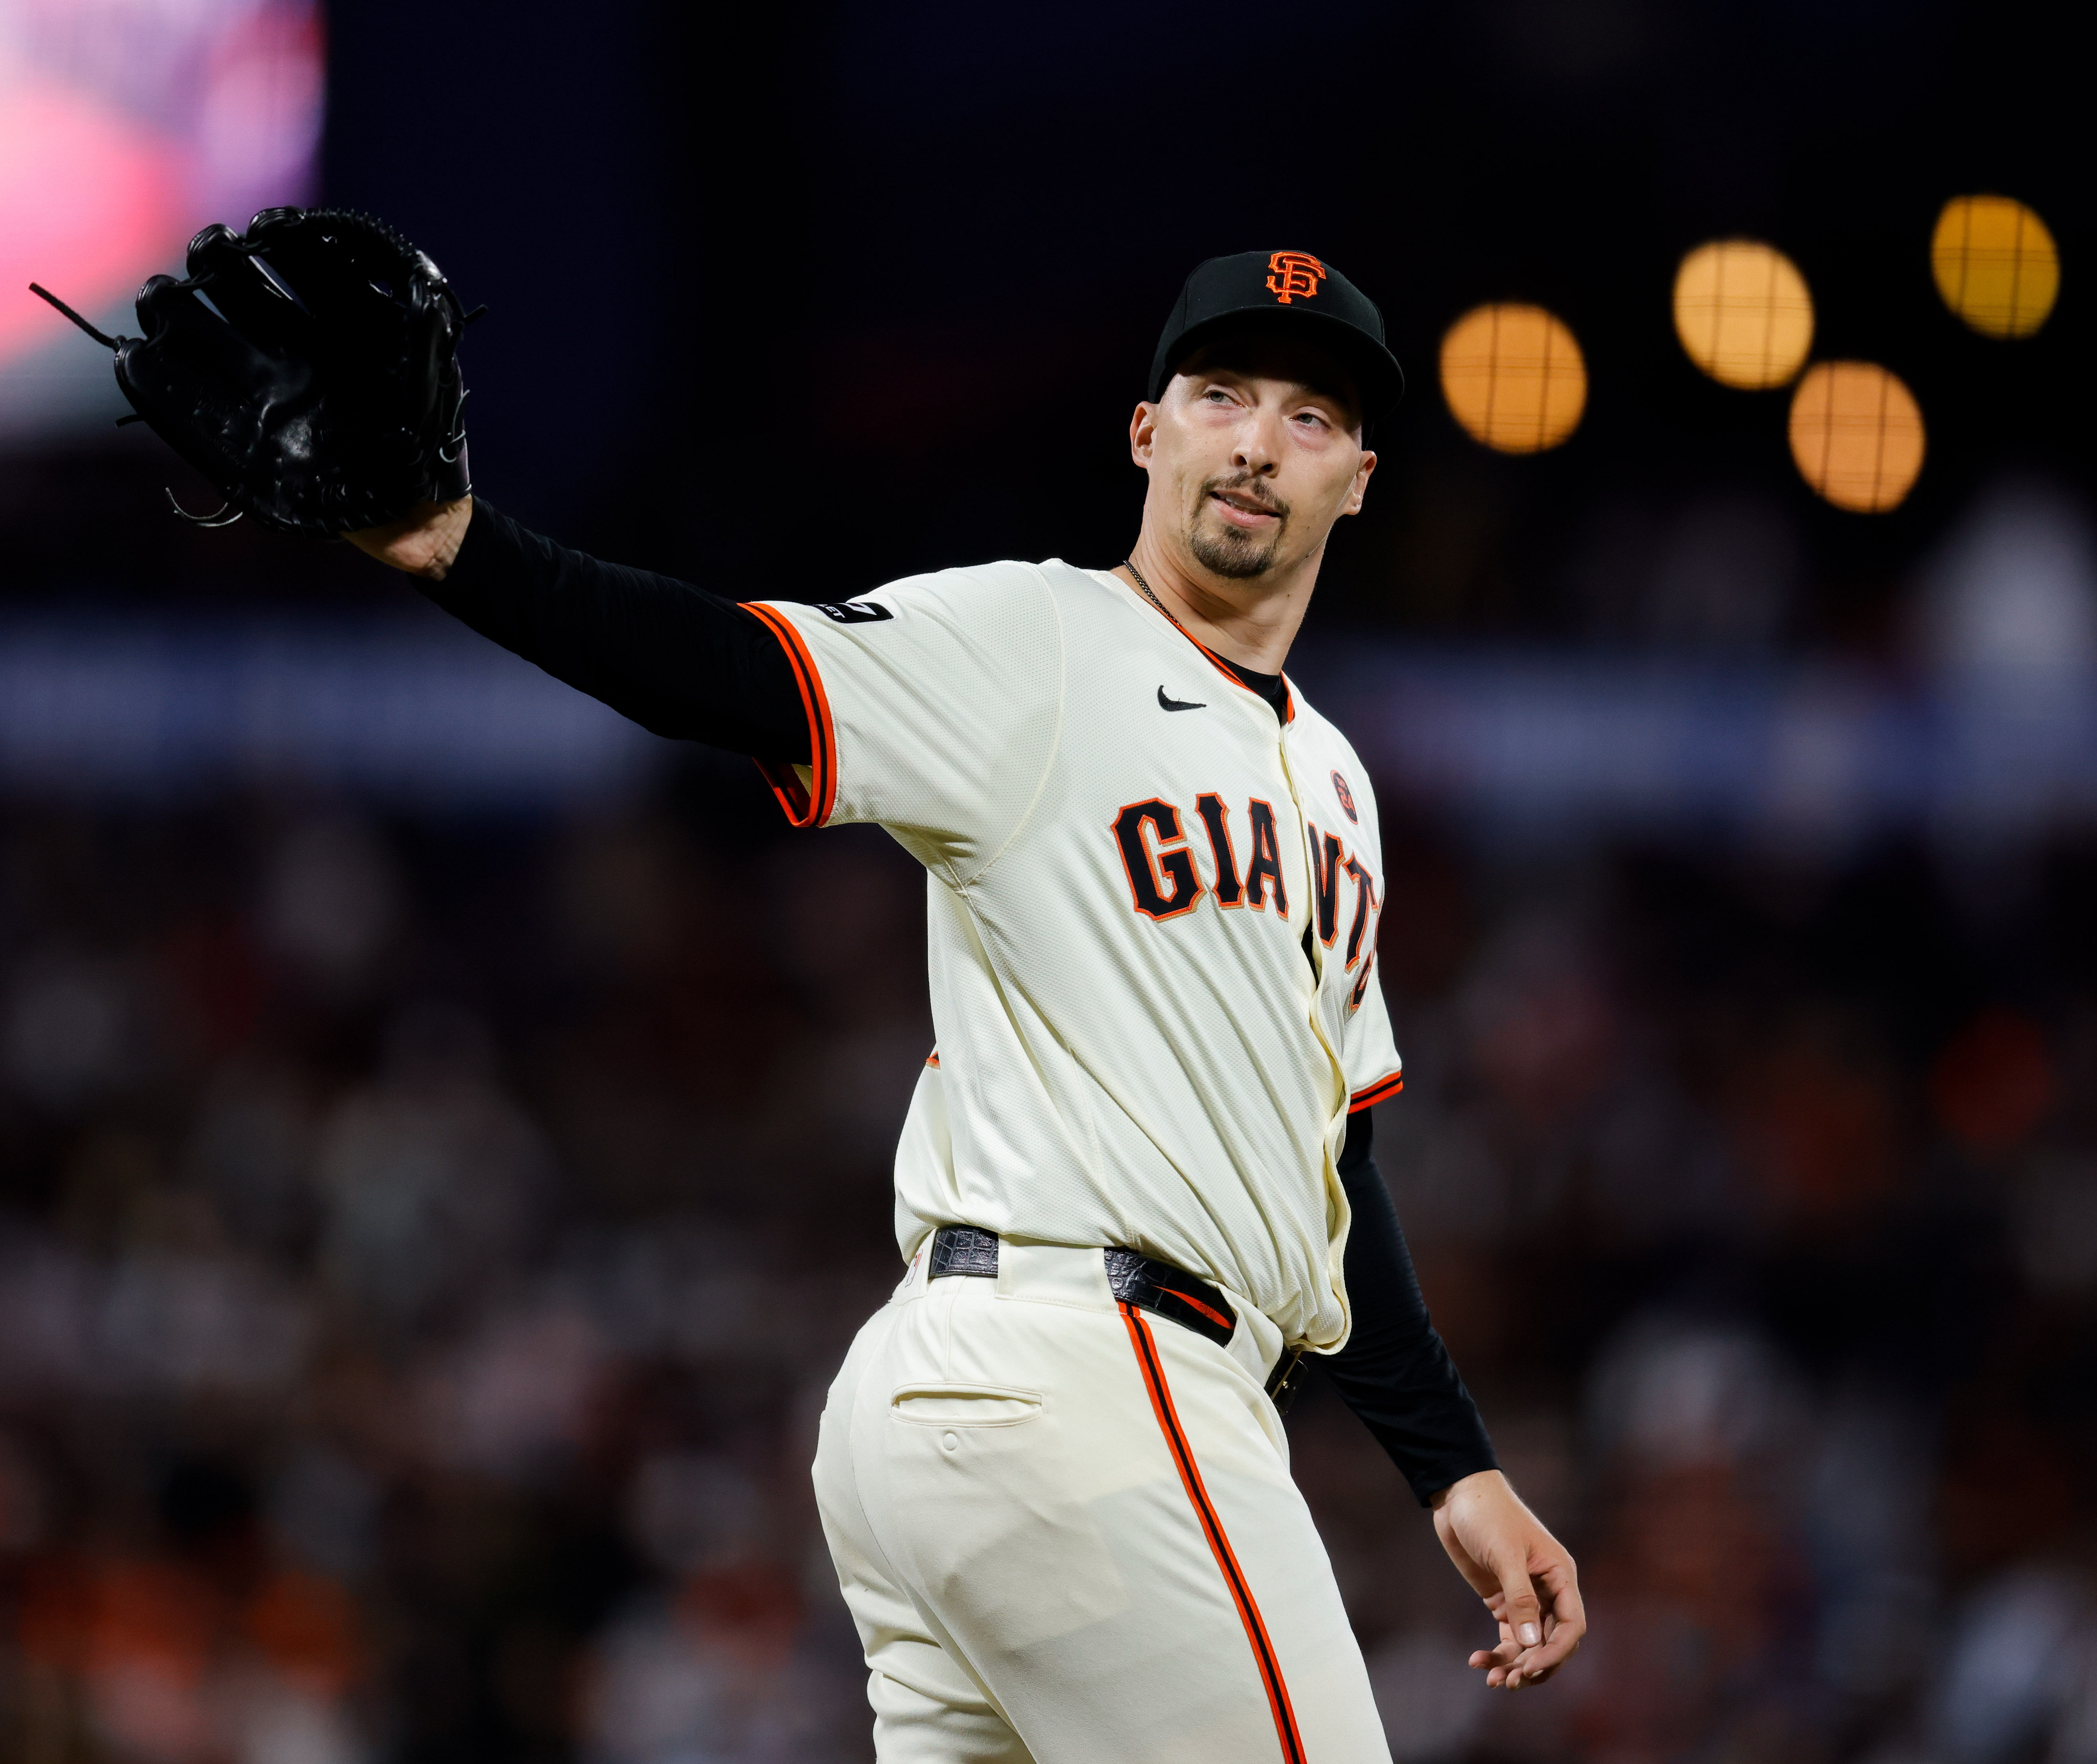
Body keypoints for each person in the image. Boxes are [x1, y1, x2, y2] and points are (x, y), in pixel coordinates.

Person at [347, 250, 1584, 1763]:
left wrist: (1454, 1470)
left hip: (992, 1411)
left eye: (1309, 416)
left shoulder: (1334, 781)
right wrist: (451, 545)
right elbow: (725, 666)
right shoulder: (1039, 642)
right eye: (1220, 395)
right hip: (1083, 1382)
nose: (1257, 439)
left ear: (1360, 480)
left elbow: (1332, 1164)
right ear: (1148, 436)